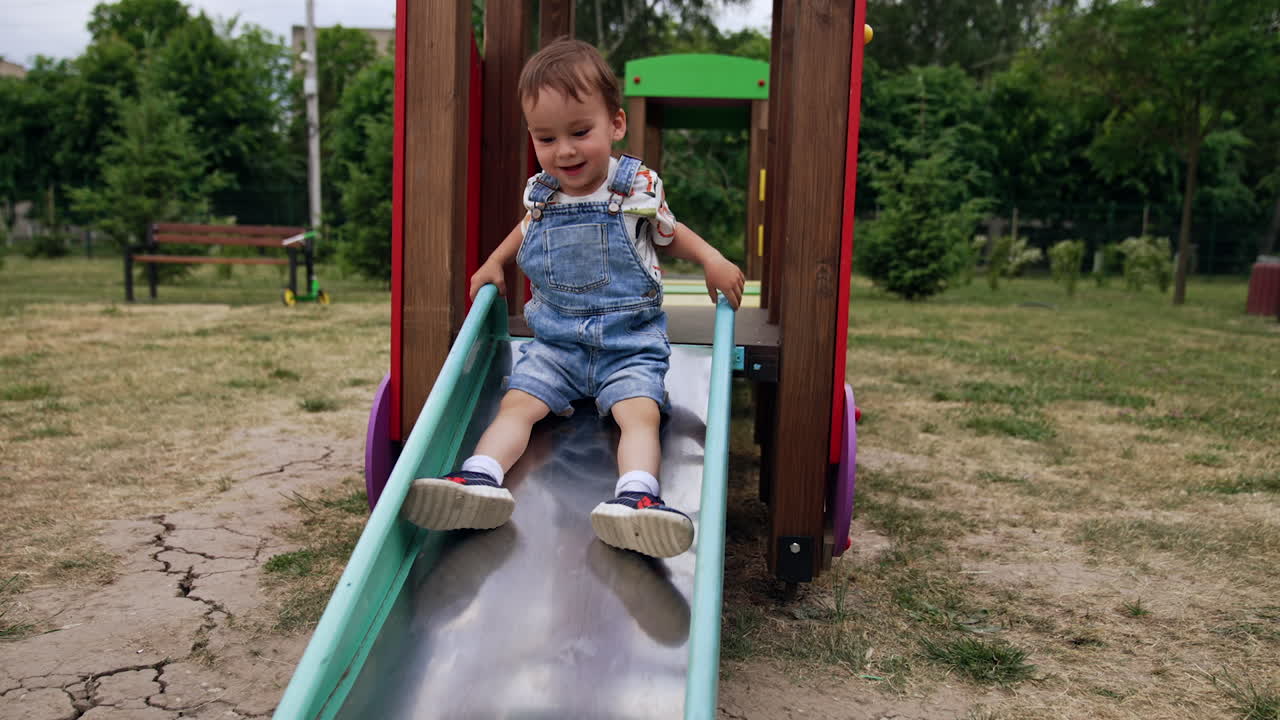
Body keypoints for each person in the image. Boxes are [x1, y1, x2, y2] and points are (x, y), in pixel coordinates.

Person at [401, 38, 744, 559]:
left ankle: (637, 497)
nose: (564, 151)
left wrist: (713, 259)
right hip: (557, 342)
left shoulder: (634, 189)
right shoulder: (542, 193)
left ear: (616, 124)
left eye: (580, 132)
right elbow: (523, 232)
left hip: (628, 344)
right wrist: (496, 260)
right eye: (545, 138)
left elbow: (672, 233)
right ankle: (479, 478)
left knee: (639, 414)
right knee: (516, 405)